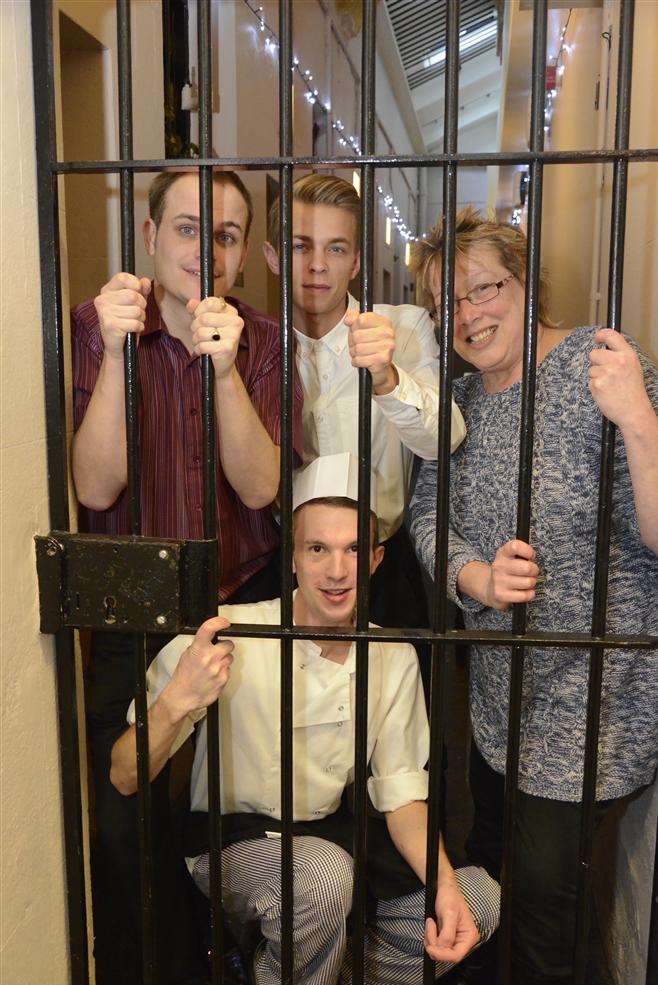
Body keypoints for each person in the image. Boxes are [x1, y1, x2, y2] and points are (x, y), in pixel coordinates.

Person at [110, 452, 500, 985]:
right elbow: (124, 775)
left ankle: (310, 969)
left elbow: (402, 796)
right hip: (237, 845)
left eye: (353, 550)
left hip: (341, 843)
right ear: (292, 557)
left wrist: (445, 885)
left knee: (479, 898)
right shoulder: (230, 633)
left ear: (376, 561)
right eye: (317, 549)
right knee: (319, 880)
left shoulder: (393, 654)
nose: (336, 571)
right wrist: (179, 698)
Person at [408, 206, 658, 985]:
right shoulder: (458, 399)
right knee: (499, 865)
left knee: (547, 896)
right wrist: (473, 576)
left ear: (526, 283)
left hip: (595, 694)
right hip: (497, 692)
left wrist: (641, 421)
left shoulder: (600, 364)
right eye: (447, 304)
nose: (470, 315)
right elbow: (425, 512)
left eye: (485, 287)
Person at [71, 169, 303, 984]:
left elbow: (264, 488)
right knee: (125, 828)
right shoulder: (94, 328)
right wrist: (112, 354)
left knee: (219, 825)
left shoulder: (267, 341)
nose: (204, 249)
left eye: (227, 234)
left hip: (233, 608)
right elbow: (95, 487)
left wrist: (226, 369)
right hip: (127, 614)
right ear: (149, 236)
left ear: (243, 258)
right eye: (187, 228)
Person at [263, 173, 466, 636]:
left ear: (355, 261)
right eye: (299, 246)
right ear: (274, 257)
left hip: (383, 566)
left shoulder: (404, 328)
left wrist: (388, 378)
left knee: (397, 701)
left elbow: (446, 438)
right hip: (282, 562)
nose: (317, 265)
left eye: (335, 248)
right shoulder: (253, 344)